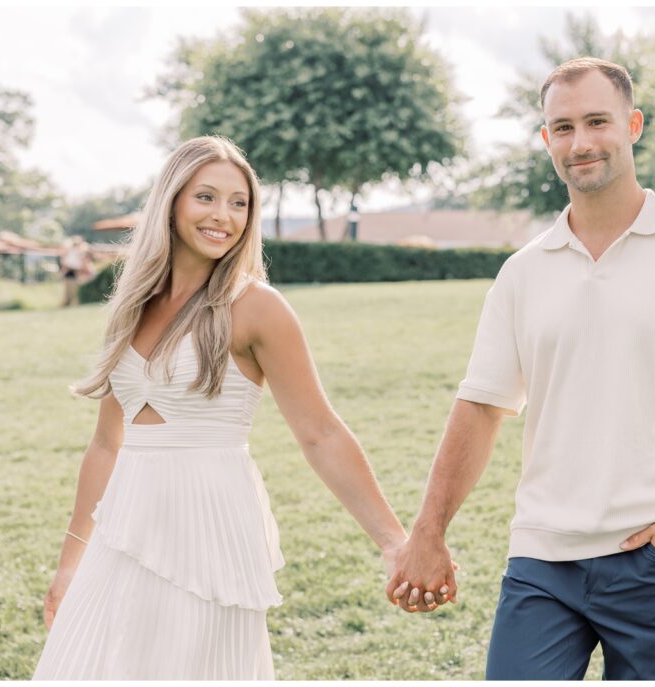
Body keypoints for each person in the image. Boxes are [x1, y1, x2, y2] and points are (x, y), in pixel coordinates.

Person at [385, 57, 655, 680]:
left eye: (597, 121)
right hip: (542, 558)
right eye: (563, 127)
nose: (581, 142)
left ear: (633, 125)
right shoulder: (523, 272)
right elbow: (481, 405)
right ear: (547, 140)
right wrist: (428, 531)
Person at [34, 136, 408, 680]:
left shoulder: (257, 307)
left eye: (239, 203)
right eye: (206, 197)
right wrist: (71, 563)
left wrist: (394, 541)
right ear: (172, 200)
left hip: (209, 525)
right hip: (122, 525)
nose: (223, 216)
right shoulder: (132, 304)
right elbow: (107, 444)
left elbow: (320, 433)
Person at [60, 236, 91, 307]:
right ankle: (68, 303)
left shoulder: (79, 251)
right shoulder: (71, 251)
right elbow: (66, 263)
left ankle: (74, 303)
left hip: (75, 272)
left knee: (74, 291)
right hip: (70, 272)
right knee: (69, 291)